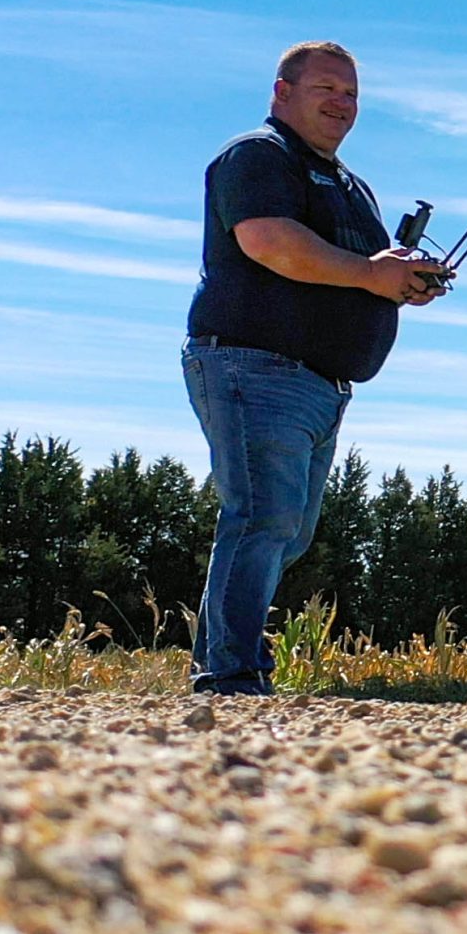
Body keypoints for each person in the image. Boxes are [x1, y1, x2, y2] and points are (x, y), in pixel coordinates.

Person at [182, 41, 440, 695]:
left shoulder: (353, 186)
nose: (341, 102)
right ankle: (232, 674)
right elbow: (267, 241)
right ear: (282, 92)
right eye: (326, 87)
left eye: (351, 93)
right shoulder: (258, 156)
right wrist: (370, 273)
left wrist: (404, 281)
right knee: (262, 517)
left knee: (285, 530)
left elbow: (365, 272)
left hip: (318, 381)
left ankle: (220, 660)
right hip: (252, 363)